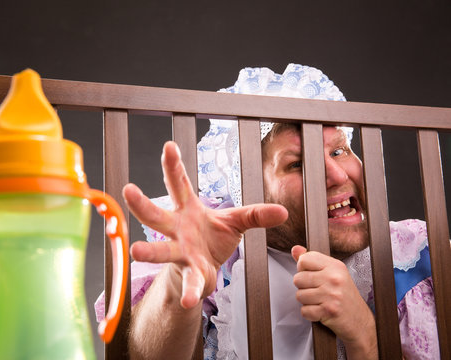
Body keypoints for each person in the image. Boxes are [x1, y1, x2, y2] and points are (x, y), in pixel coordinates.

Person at [95, 64, 439, 359]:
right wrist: (178, 282)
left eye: (339, 152)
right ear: (248, 193)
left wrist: (365, 338)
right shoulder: (215, 252)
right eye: (298, 164)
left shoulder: (419, 259)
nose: (336, 175)